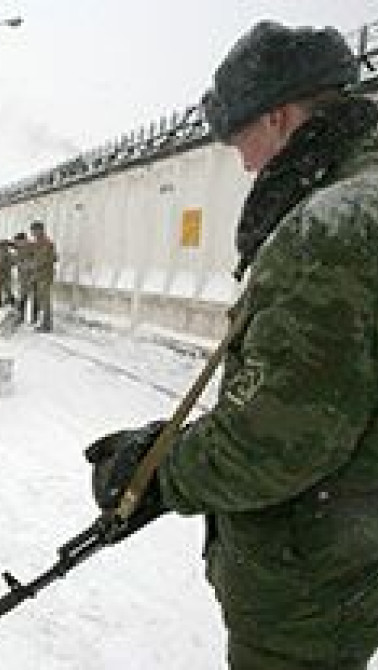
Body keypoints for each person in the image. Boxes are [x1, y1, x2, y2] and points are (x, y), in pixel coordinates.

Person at [85, 21, 378, 669]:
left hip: (308, 582)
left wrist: (161, 474)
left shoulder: (333, 223)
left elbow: (283, 439)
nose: (241, 162)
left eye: (239, 137)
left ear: (278, 118)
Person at [28, 220, 57, 332]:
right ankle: (43, 322)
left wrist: (32, 265)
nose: (32, 233)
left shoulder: (46, 243)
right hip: (39, 276)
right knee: (41, 300)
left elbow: (45, 259)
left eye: (34, 230)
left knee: (45, 302)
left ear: (40, 230)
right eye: (32, 231)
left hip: (44, 276)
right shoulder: (37, 243)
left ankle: (47, 325)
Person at [12, 231, 36, 324]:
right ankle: (20, 317)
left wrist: (23, 264)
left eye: (18, 241)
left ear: (24, 240)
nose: (17, 244)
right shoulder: (20, 248)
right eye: (16, 242)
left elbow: (34, 262)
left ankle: (34, 319)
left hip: (32, 276)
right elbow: (16, 259)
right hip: (23, 277)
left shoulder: (32, 248)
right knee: (22, 297)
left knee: (34, 298)